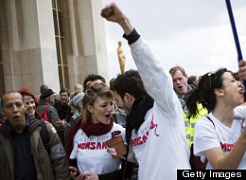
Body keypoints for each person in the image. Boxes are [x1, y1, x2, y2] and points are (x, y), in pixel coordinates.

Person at [101, 3, 190, 180]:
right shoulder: (134, 126)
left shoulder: (165, 109)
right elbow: (143, 159)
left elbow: (154, 73)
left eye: (117, 100)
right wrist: (122, 151)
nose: (116, 107)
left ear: (128, 97)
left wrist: (126, 26)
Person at [68, 82, 135, 180]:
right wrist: (75, 175)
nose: (110, 109)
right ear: (91, 108)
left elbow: (127, 172)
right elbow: (73, 164)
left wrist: (100, 178)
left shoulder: (116, 132)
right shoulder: (78, 133)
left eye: (111, 104)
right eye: (104, 105)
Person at [0, 91, 70, 180]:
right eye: (9, 106)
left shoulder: (45, 129)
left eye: (18, 105)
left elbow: (60, 162)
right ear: (2, 111)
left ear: (24, 107)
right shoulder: (2, 136)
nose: (15, 110)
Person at [186, 68, 246, 169]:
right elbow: (222, 169)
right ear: (219, 91)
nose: (239, 84)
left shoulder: (242, 113)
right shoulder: (205, 125)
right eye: (232, 80)